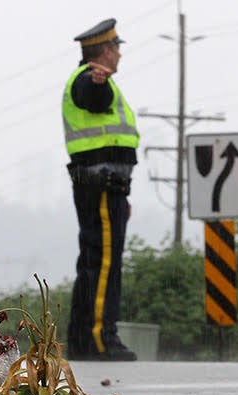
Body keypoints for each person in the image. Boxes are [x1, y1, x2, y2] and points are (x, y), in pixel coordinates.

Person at [63, 18, 139, 361]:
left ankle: (83, 340)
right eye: (116, 48)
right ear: (105, 51)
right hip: (102, 187)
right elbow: (92, 96)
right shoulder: (88, 81)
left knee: (95, 260)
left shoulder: (92, 81)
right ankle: (100, 338)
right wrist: (97, 82)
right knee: (104, 264)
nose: (120, 54)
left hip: (106, 188)